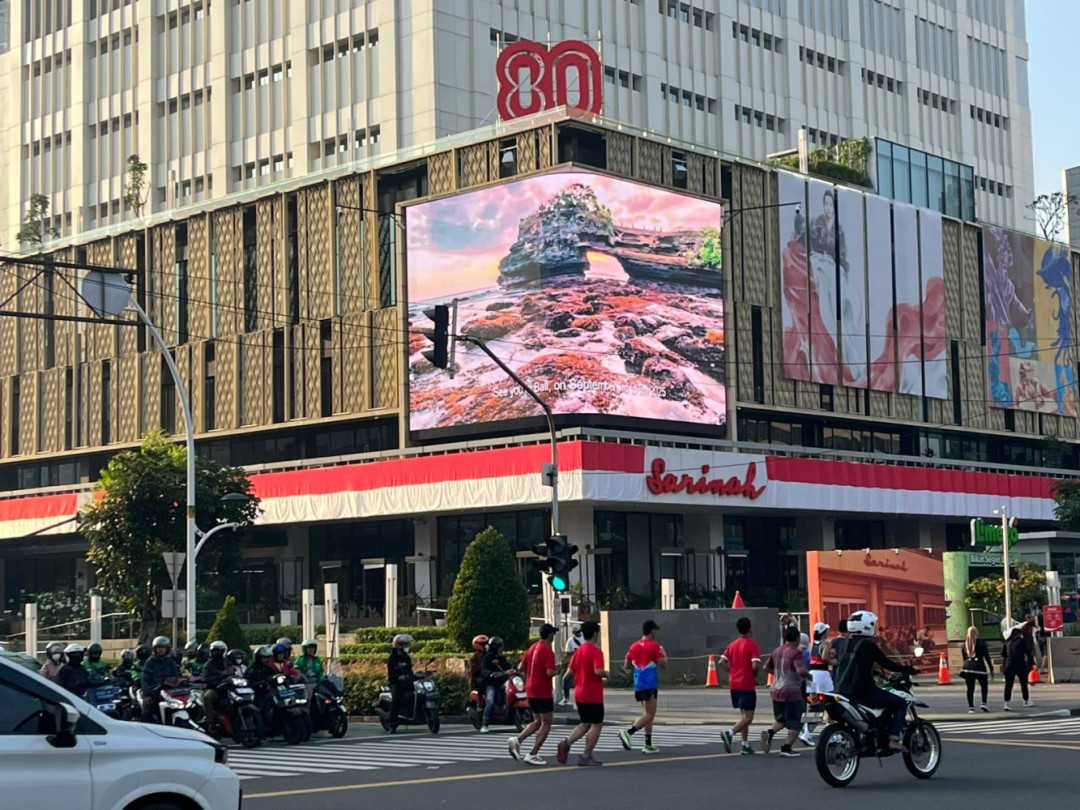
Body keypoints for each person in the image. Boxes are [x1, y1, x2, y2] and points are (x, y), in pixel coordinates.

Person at [834, 611, 916, 752]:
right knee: (900, 703)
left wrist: (873, 671)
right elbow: (886, 663)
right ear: (867, 626)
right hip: (864, 691)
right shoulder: (868, 645)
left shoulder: (843, 644)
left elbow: (854, 664)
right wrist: (908, 669)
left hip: (841, 689)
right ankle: (893, 739)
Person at [556, 620, 607, 767]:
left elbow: (569, 673)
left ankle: (567, 742)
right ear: (595, 634)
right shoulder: (596, 651)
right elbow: (598, 671)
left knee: (585, 723)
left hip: (580, 693)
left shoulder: (579, 651)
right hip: (593, 694)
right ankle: (586, 756)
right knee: (597, 724)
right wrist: (607, 674)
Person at [509, 623, 559, 765]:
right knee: (547, 722)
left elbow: (521, 667)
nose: (554, 636)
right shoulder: (548, 651)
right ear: (549, 635)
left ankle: (517, 740)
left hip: (530, 689)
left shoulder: (533, 647)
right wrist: (558, 670)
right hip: (542, 690)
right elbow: (550, 672)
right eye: (553, 634)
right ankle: (533, 753)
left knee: (537, 721)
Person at [619, 619, 666, 754]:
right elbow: (663, 664)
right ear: (652, 631)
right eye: (655, 630)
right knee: (650, 714)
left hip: (638, 683)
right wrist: (664, 653)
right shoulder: (654, 646)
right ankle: (628, 732)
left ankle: (648, 743)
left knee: (646, 714)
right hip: (650, 683)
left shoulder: (634, 646)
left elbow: (627, 664)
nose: (656, 633)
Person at [762, 625, 810, 757]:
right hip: (791, 691)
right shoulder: (796, 652)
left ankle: (770, 732)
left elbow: (766, 667)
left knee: (781, 718)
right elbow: (800, 670)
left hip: (776, 690)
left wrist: (778, 673)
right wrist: (810, 676)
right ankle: (786, 747)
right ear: (797, 639)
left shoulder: (777, 650)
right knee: (796, 721)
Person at [719, 616, 761, 755]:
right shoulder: (752, 644)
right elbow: (755, 665)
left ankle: (745, 744)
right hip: (747, 683)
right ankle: (730, 733)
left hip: (734, 683)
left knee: (744, 716)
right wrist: (754, 674)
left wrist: (731, 671)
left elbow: (722, 662)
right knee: (749, 717)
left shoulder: (732, 645)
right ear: (750, 628)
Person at [801, 622, 835, 746]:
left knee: (814, 705)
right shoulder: (826, 643)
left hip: (811, 674)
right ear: (823, 632)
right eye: (827, 630)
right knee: (830, 701)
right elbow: (825, 658)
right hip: (822, 675)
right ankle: (827, 732)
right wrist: (834, 662)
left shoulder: (811, 645)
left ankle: (806, 731)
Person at [141, 636, 181, 722]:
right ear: (155, 649)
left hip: (169, 693)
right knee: (147, 712)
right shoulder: (150, 662)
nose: (161, 650)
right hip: (154, 692)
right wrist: (147, 695)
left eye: (163, 647)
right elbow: (145, 679)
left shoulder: (171, 662)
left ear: (167, 649)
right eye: (159, 647)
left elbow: (176, 677)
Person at [479, 636, 515, 733]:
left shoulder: (501, 658)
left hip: (501, 681)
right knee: (490, 699)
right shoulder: (487, 658)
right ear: (496, 647)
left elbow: (508, 666)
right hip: (490, 683)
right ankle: (484, 723)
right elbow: (484, 670)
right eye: (500, 647)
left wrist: (513, 670)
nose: (502, 649)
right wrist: (490, 674)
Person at [961, 626, 993, 713]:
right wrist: (991, 668)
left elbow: (964, 657)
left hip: (968, 668)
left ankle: (971, 707)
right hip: (979, 667)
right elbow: (987, 656)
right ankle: (983, 703)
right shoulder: (982, 643)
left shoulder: (965, 644)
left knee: (970, 688)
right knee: (984, 686)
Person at [387, 633, 414, 732]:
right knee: (396, 699)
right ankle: (392, 724)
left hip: (407, 683)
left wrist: (410, 676)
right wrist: (398, 677)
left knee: (413, 695)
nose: (406, 647)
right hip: (396, 683)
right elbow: (390, 673)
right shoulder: (392, 658)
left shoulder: (407, 658)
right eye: (404, 644)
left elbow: (410, 671)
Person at [1002, 624, 1034, 710]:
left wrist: (1004, 666)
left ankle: (1006, 703)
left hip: (1009, 664)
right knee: (1023, 684)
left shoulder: (1007, 642)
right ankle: (1025, 701)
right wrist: (1030, 664)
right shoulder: (1022, 641)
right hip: (1020, 664)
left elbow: (1003, 654)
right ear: (1020, 634)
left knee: (1008, 685)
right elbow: (1028, 653)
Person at [201, 640, 232, 719]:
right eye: (214, 651)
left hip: (229, 688)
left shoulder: (228, 662)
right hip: (215, 688)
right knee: (207, 697)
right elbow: (206, 678)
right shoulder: (208, 664)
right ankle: (210, 722)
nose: (217, 653)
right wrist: (222, 674)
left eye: (219, 651)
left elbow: (235, 673)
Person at [560, 625, 583, 706]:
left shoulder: (585, 639)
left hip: (583, 664)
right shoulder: (570, 640)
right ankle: (566, 698)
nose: (576, 634)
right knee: (565, 679)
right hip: (574, 663)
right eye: (575, 633)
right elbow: (567, 653)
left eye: (578, 632)